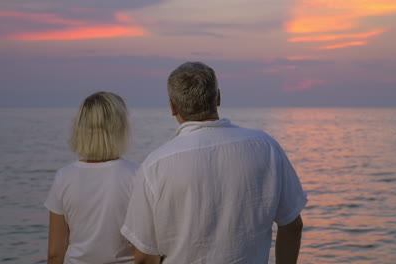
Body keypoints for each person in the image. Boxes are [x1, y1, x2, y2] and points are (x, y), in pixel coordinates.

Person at [121, 62, 307, 264]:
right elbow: (292, 225)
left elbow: (144, 256)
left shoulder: (155, 165)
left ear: (172, 106)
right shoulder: (266, 146)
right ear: (218, 97)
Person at [45, 91, 137, 264]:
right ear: (121, 128)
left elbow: (55, 253)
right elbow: (144, 250)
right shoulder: (136, 176)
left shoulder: (64, 177)